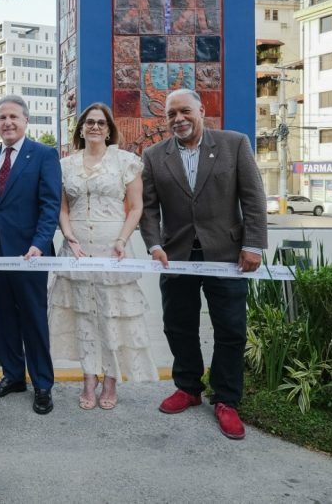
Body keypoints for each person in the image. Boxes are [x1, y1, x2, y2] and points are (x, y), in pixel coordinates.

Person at [140, 88, 267, 440]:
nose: (178, 119)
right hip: (175, 255)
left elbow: (254, 199)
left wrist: (253, 245)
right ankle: (188, 387)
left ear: (201, 110)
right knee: (178, 325)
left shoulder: (234, 144)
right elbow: (148, 209)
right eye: (170, 114)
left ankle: (226, 400)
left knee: (230, 329)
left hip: (227, 255)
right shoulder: (153, 156)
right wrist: (153, 245)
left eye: (184, 111)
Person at [48, 103, 158, 412]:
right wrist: (68, 234)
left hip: (114, 249)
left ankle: (110, 381)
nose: (94, 127)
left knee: (111, 317)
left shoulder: (126, 162)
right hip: (77, 249)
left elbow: (136, 207)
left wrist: (122, 240)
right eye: (89, 122)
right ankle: (88, 380)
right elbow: (63, 207)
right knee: (84, 315)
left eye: (100, 122)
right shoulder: (65, 164)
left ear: (109, 129)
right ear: (81, 129)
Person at [0, 95, 61, 415]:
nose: (7, 123)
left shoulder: (44, 155)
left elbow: (50, 205)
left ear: (26, 121)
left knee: (33, 320)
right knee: (4, 319)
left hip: (30, 254)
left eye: (13, 117)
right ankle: (12, 376)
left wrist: (40, 242)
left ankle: (42, 384)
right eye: (2, 118)